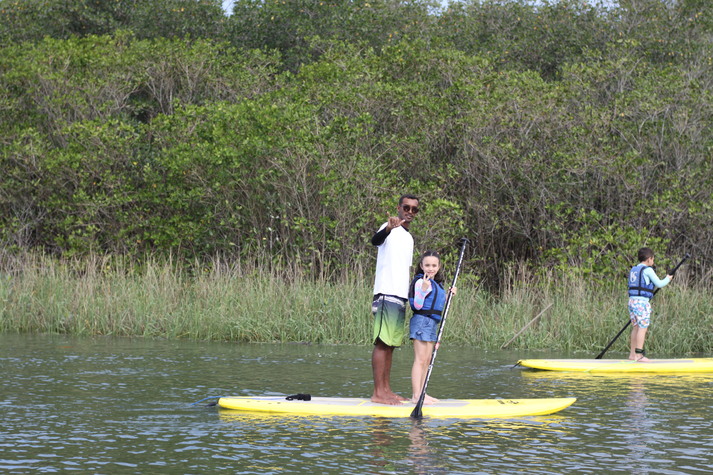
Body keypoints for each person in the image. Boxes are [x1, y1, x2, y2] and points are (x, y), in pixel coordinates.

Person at [370, 194, 419, 405]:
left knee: (390, 345)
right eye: (406, 207)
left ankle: (386, 390)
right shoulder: (389, 228)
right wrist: (389, 228)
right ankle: (378, 393)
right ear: (399, 208)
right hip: (386, 293)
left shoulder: (409, 238)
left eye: (414, 209)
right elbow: (375, 240)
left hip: (400, 295)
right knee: (382, 343)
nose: (410, 212)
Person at [408, 250, 456, 404]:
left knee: (427, 360)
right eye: (427, 265)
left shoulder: (436, 284)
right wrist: (422, 290)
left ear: (438, 266)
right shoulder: (420, 282)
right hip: (422, 321)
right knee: (420, 360)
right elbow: (417, 305)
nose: (430, 268)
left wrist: (449, 296)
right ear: (422, 266)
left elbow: (437, 303)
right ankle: (416, 395)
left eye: (434, 265)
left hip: (432, 323)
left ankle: (422, 393)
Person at [628, 247, 673, 362]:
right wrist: (668, 279)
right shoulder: (648, 270)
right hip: (641, 303)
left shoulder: (634, 269)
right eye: (653, 259)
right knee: (642, 328)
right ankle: (639, 355)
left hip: (632, 302)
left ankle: (632, 355)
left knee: (635, 327)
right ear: (649, 259)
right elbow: (660, 283)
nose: (653, 261)